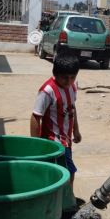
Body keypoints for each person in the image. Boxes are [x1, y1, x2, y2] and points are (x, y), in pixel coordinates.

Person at [30, 53, 82, 188]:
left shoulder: (72, 87)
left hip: (67, 140)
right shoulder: (47, 91)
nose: (69, 81)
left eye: (73, 77)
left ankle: (63, 200)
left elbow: (72, 108)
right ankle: (66, 202)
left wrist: (76, 130)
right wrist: (36, 144)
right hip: (53, 141)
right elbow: (36, 116)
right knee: (68, 171)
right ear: (55, 73)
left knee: (60, 172)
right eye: (65, 78)